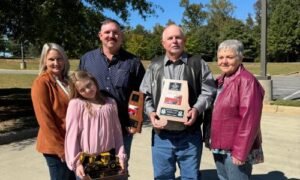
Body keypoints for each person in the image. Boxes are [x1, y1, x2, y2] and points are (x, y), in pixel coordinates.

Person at [139, 24, 216, 179]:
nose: (174, 41)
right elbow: (145, 95)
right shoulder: (154, 65)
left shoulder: (197, 63)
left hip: (189, 134)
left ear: (184, 40)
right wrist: (151, 113)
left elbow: (209, 91)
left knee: (190, 177)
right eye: (170, 38)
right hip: (162, 135)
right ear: (163, 43)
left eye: (178, 37)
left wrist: (196, 109)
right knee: (162, 177)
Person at [79, 19, 145, 159]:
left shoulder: (133, 62)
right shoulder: (87, 59)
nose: (111, 35)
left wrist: (135, 122)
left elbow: (139, 94)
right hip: (93, 127)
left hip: (122, 128)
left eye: (115, 32)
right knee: (95, 170)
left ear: (121, 36)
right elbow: (79, 90)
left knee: (120, 169)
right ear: (100, 35)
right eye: (107, 32)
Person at [210, 39, 265, 180]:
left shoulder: (247, 81)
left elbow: (250, 120)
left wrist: (240, 152)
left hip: (235, 149)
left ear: (240, 58)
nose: (224, 61)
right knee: (223, 178)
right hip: (219, 146)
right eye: (221, 57)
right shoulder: (220, 80)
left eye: (229, 57)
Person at [65, 70, 126, 179]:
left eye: (89, 85)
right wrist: (76, 162)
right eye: (82, 90)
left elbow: (117, 133)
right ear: (78, 92)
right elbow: (71, 136)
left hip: (108, 159)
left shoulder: (110, 103)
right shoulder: (76, 105)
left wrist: (120, 156)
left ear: (94, 81)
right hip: (86, 161)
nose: (88, 90)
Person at [31, 43, 74, 179]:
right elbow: (45, 121)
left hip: (73, 144)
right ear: (44, 61)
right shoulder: (41, 83)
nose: (56, 63)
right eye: (51, 59)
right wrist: (61, 150)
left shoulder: (68, 80)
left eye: (59, 58)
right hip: (56, 149)